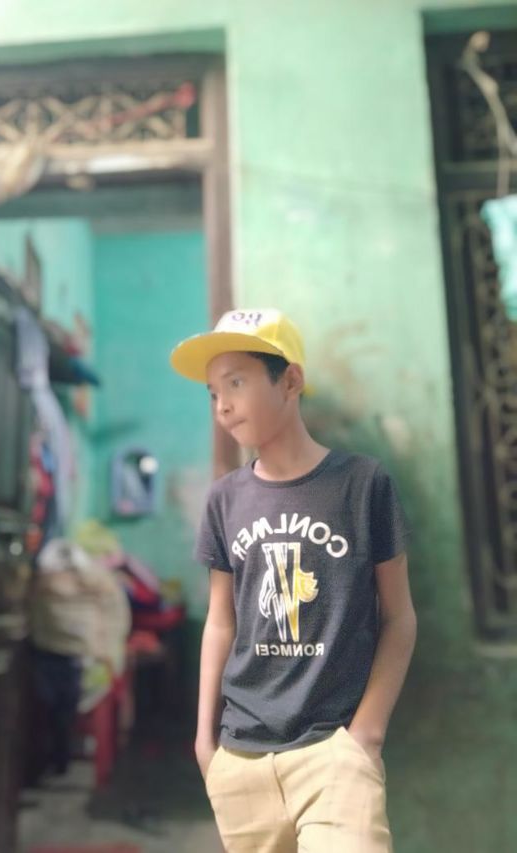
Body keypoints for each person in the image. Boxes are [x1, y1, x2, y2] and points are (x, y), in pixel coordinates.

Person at [169, 308, 416, 853]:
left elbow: (399, 618)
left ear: (291, 380)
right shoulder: (225, 500)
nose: (223, 405)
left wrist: (366, 735)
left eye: (236, 382)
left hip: (334, 753)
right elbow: (220, 622)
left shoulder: (362, 485)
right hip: (241, 759)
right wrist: (206, 742)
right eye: (213, 393)